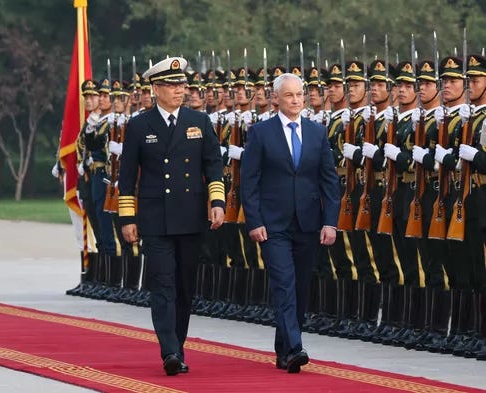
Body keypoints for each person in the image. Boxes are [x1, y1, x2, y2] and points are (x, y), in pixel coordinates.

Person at [118, 56, 225, 376]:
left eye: (182, 85)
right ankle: (169, 351)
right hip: (155, 217)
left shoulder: (199, 121)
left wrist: (217, 200)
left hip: (191, 215)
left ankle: (178, 345)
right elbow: (126, 176)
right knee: (163, 284)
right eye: (172, 85)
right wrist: (128, 218)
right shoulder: (139, 124)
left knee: (184, 286)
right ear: (156, 89)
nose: (180, 90)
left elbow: (213, 164)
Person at [240, 72, 340, 373]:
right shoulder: (261, 133)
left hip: (308, 222)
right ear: (276, 99)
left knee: (300, 287)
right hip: (273, 224)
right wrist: (254, 220)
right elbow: (249, 181)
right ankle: (296, 346)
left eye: (299, 94)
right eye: (289, 95)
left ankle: (284, 350)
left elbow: (329, 181)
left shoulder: (316, 132)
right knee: (284, 283)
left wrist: (330, 222)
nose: (296, 100)